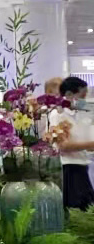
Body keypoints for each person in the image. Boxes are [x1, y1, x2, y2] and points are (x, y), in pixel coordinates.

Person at [52, 77, 94, 210]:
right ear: (69, 94)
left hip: (83, 165)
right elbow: (63, 146)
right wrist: (90, 145)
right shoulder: (58, 115)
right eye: (82, 95)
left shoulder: (82, 115)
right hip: (68, 168)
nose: (84, 99)